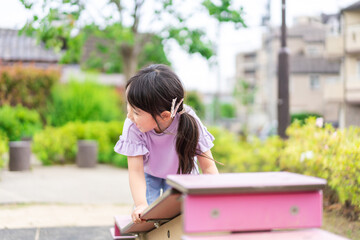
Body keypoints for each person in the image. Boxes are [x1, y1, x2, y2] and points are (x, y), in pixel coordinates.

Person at [114, 64, 219, 224]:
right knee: (146, 217)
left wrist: (217, 199)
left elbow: (208, 167)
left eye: (136, 112)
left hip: (182, 173)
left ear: (164, 116)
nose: (129, 116)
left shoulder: (189, 120)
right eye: (129, 106)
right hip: (150, 174)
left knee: (182, 216)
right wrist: (141, 205)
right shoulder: (133, 125)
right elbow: (136, 172)